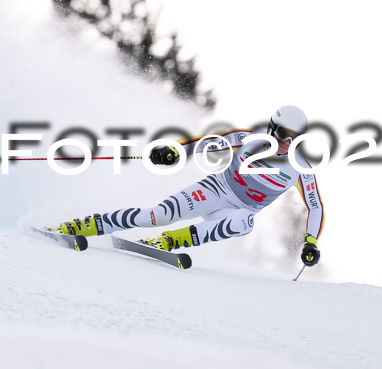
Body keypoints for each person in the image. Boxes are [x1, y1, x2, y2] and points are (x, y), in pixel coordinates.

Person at [50, 105, 324, 267]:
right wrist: (172, 152)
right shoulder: (247, 139)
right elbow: (204, 143)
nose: (287, 143)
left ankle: (169, 241)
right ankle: (79, 226)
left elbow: (316, 207)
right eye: (283, 135)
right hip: (214, 191)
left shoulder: (300, 168)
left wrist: (310, 242)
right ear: (271, 128)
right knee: (153, 216)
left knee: (245, 222)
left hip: (234, 213)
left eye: (295, 138)